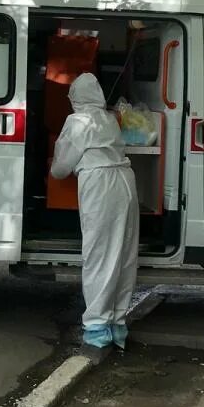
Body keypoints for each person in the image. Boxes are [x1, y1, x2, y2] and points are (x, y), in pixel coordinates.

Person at [50, 73, 139, 350]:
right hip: (125, 181)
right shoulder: (109, 118)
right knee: (124, 254)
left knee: (99, 254)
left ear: (76, 97)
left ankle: (98, 327)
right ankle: (117, 323)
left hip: (99, 183)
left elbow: (62, 166)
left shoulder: (77, 122)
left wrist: (53, 170)